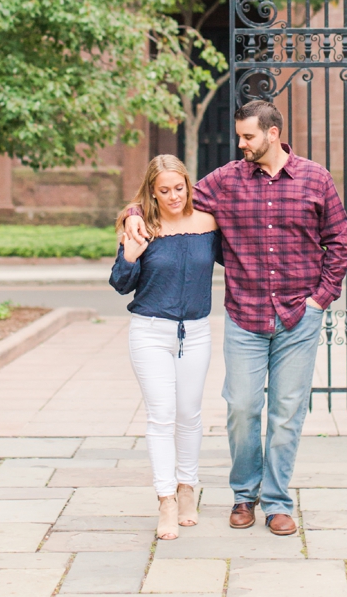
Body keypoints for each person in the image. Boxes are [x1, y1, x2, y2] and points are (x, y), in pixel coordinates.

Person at [122, 99, 347, 536]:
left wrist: (320, 299)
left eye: (248, 136)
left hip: (299, 316)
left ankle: (278, 502)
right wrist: (134, 214)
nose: (240, 143)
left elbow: (339, 244)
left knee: (286, 412)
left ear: (273, 134)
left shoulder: (315, 178)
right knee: (243, 409)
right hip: (245, 315)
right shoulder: (226, 180)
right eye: (240, 135)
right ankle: (245, 494)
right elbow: (171, 196)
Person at [110, 155, 220, 540]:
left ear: (188, 186)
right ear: (152, 194)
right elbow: (121, 284)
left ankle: (188, 488)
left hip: (196, 332)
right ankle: (166, 499)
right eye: (164, 190)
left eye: (179, 188)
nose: (174, 196)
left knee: (189, 413)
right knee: (162, 414)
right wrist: (130, 252)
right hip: (150, 332)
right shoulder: (144, 228)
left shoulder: (208, 223)